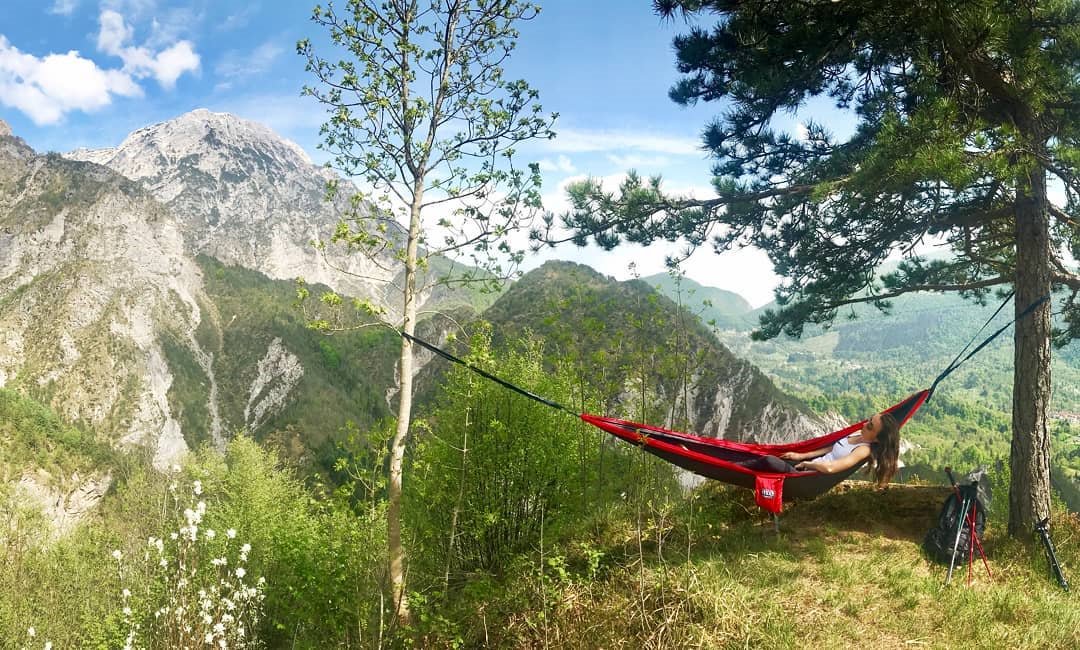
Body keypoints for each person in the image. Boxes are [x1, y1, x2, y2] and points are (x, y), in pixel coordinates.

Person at [742, 411, 901, 487]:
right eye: (869, 420)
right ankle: (737, 464)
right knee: (771, 456)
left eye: (870, 426)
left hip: (808, 478)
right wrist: (801, 456)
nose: (865, 424)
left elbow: (830, 468)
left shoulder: (863, 450)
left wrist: (807, 464)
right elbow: (832, 448)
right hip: (805, 467)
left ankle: (734, 468)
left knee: (769, 461)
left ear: (877, 438)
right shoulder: (857, 434)